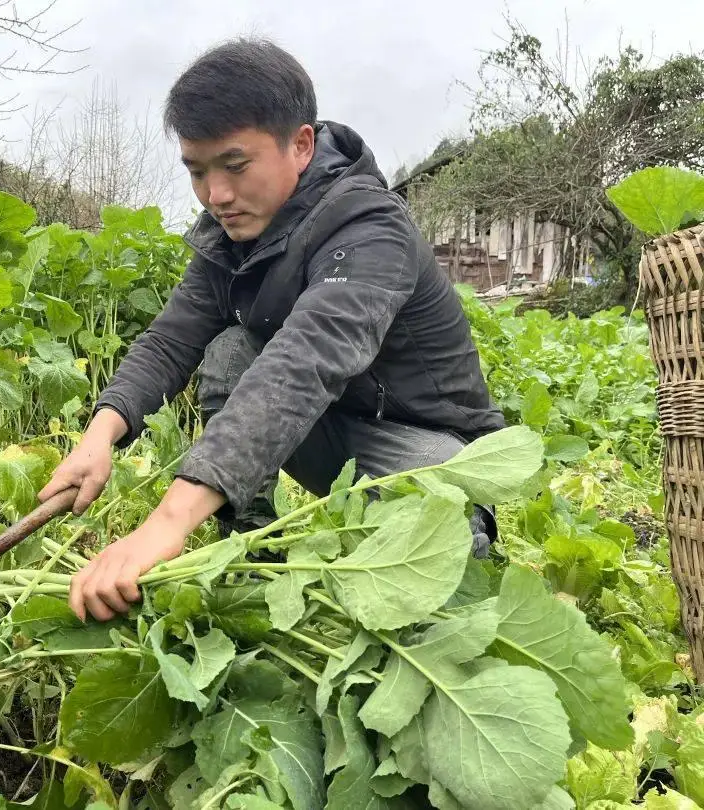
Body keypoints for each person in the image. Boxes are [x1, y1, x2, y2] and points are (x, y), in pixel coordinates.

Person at [37, 37, 507, 623]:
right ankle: (253, 551)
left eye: (235, 166)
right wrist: (99, 436)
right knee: (232, 350)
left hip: (428, 446)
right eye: (197, 171)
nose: (217, 196)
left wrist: (167, 523)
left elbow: (303, 367)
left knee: (439, 536)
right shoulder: (229, 233)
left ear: (301, 145)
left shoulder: (371, 226)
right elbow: (170, 339)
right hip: (333, 434)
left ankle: (462, 537)